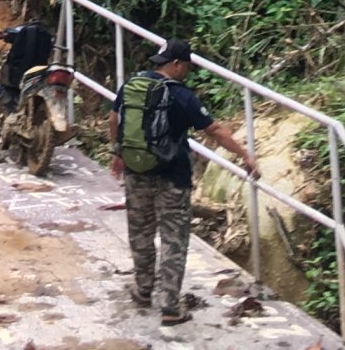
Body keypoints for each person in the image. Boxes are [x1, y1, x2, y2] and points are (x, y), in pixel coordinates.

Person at [109, 38, 255, 325]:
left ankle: (142, 290)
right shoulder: (182, 96)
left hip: (136, 172)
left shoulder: (131, 87)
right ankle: (170, 307)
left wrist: (118, 152)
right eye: (186, 65)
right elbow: (214, 130)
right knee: (173, 240)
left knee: (140, 232)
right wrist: (245, 156)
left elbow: (114, 119)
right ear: (176, 64)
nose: (186, 71)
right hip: (172, 177)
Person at [0, 0, 55, 98]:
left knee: (6, 87)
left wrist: (3, 35)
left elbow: (9, 35)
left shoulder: (22, 31)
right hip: (38, 74)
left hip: (17, 75)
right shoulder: (48, 36)